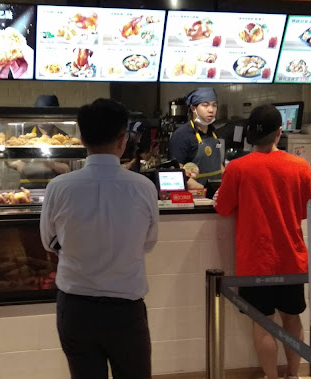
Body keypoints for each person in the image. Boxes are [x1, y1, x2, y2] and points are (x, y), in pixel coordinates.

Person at [40, 98, 159, 379]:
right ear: (123, 139)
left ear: (82, 139)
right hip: (125, 310)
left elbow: (49, 242)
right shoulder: (143, 187)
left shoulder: (58, 187)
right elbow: (149, 242)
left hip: (75, 308)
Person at [213, 104, 311, 379]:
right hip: (292, 258)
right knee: (292, 319)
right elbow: (306, 210)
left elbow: (223, 207)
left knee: (263, 323)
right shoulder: (300, 166)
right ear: (279, 132)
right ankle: (293, 375)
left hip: (255, 261)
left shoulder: (237, 168)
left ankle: (271, 377)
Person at [169, 87, 223, 190]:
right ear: (193, 108)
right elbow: (176, 170)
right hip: (194, 195)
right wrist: (201, 189)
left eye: (214, 105)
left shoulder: (214, 133)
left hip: (216, 193)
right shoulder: (181, 135)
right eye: (205, 105)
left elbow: (217, 165)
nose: (211, 110)